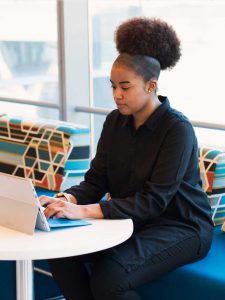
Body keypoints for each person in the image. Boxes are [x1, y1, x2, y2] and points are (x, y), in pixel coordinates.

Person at [40, 17, 214, 300]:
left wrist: (84, 212)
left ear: (150, 85)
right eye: (112, 86)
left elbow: (154, 201)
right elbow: (96, 181)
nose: (116, 95)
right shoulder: (114, 122)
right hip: (133, 221)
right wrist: (66, 200)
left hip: (182, 227)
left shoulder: (177, 129)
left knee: (110, 277)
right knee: (62, 252)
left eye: (125, 87)